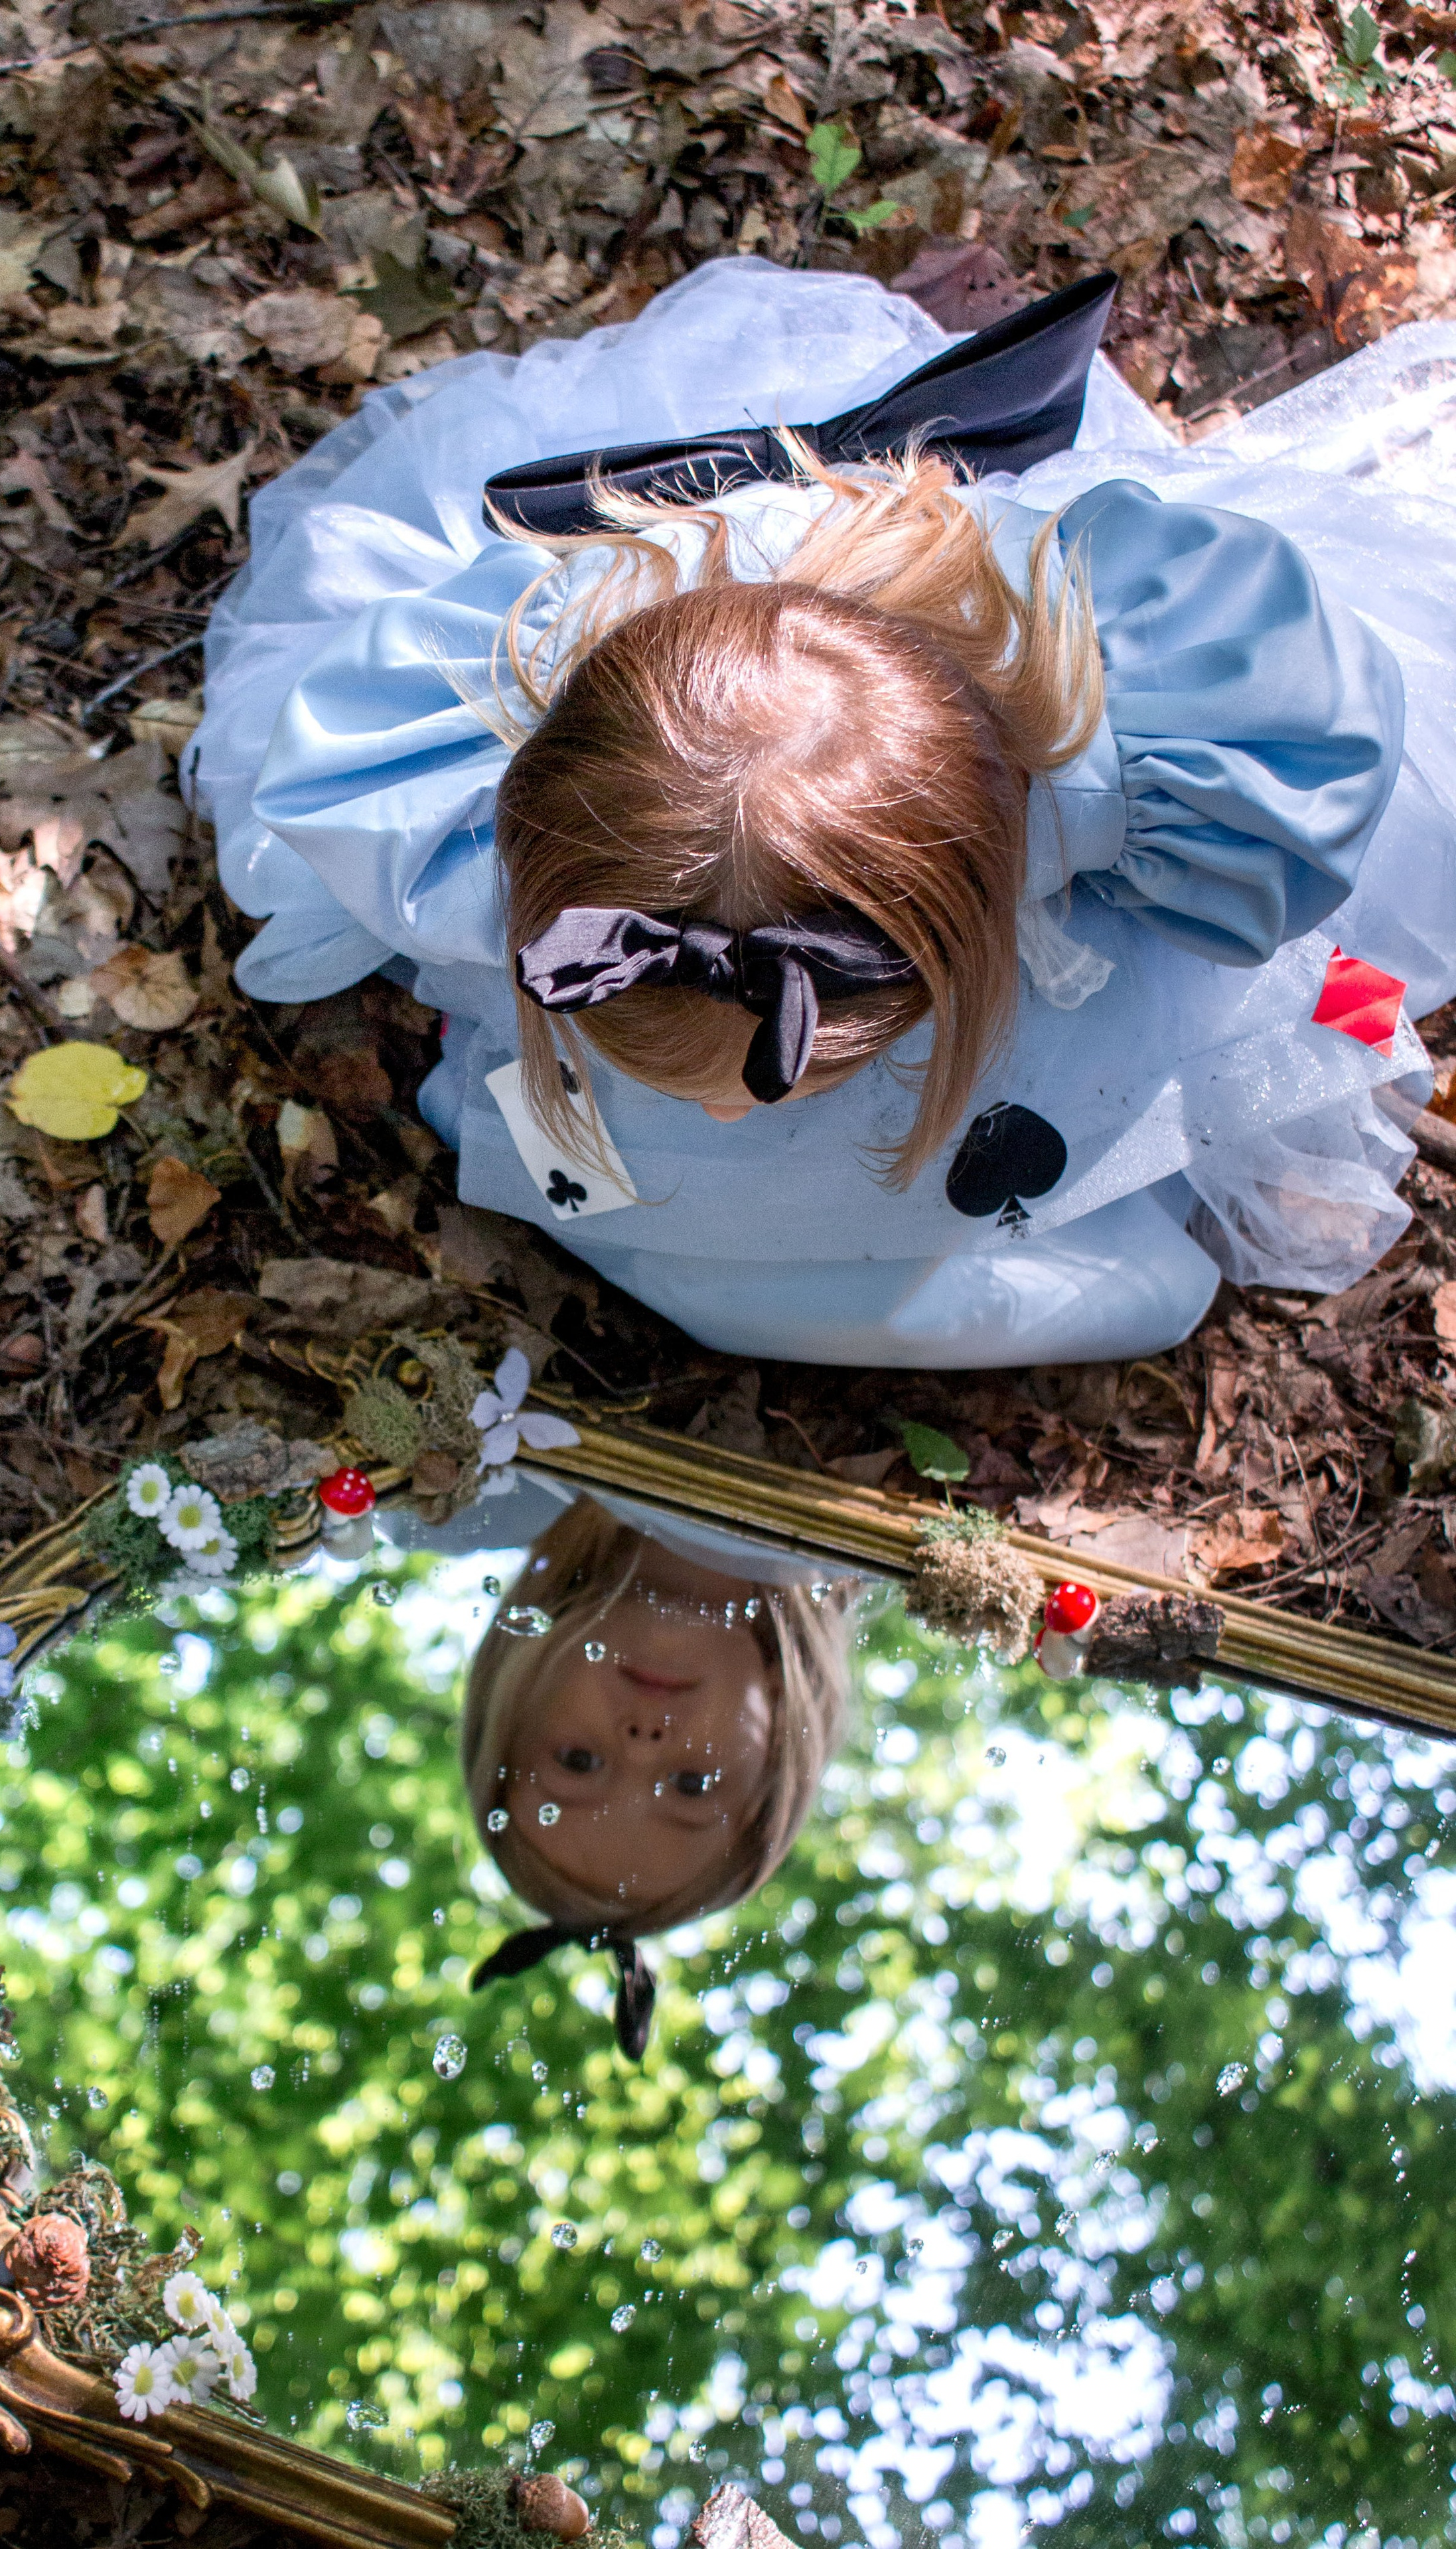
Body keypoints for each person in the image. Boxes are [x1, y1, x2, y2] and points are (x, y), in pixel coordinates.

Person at [195, 258, 1456, 1367]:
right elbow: (333, 806)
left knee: (1102, 1232)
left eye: (752, 1085)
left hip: (1002, 783)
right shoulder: (482, 766)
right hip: (678, 678)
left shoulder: (1126, 766)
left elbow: (1314, 766)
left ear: (963, 923)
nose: (729, 1118)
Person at [456, 1492, 857, 2058]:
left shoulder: (483, 1490)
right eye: (691, 1785)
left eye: (579, 1761)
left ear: (515, 1697)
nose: (643, 1745)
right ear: (777, 1752)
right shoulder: (887, 1549)